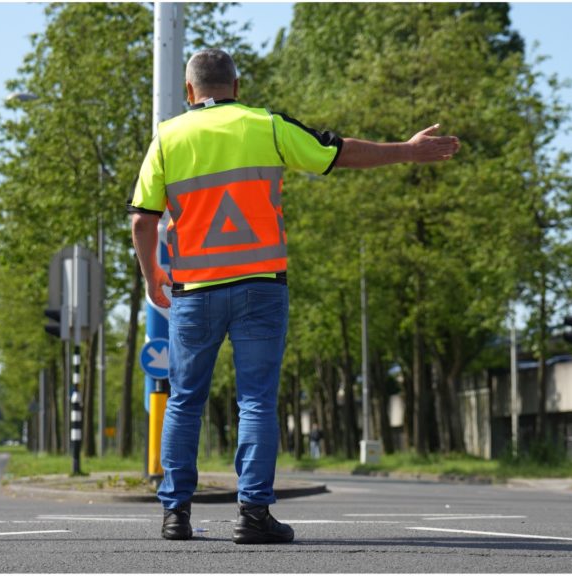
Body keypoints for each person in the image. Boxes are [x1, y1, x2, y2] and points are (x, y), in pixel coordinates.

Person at [129, 48, 460, 544]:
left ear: (189, 92)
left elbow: (141, 218)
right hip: (261, 287)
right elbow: (338, 151)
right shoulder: (266, 125)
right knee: (257, 401)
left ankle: (175, 514)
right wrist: (407, 150)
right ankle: (253, 514)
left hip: (195, 290)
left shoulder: (168, 137)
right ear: (237, 88)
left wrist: (153, 275)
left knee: (184, 401)